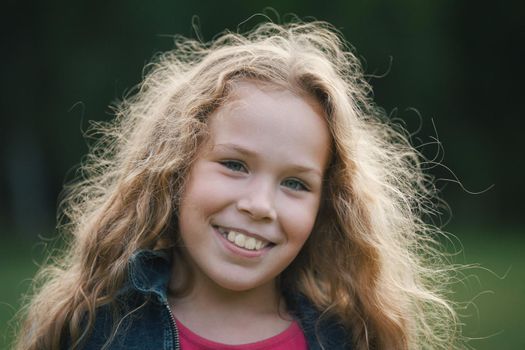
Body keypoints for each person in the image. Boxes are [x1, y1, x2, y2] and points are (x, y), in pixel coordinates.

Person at [13, 20, 462, 349]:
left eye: (295, 184)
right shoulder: (94, 329)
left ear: (329, 205)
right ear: (175, 169)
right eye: (234, 164)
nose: (260, 205)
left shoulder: (349, 338)